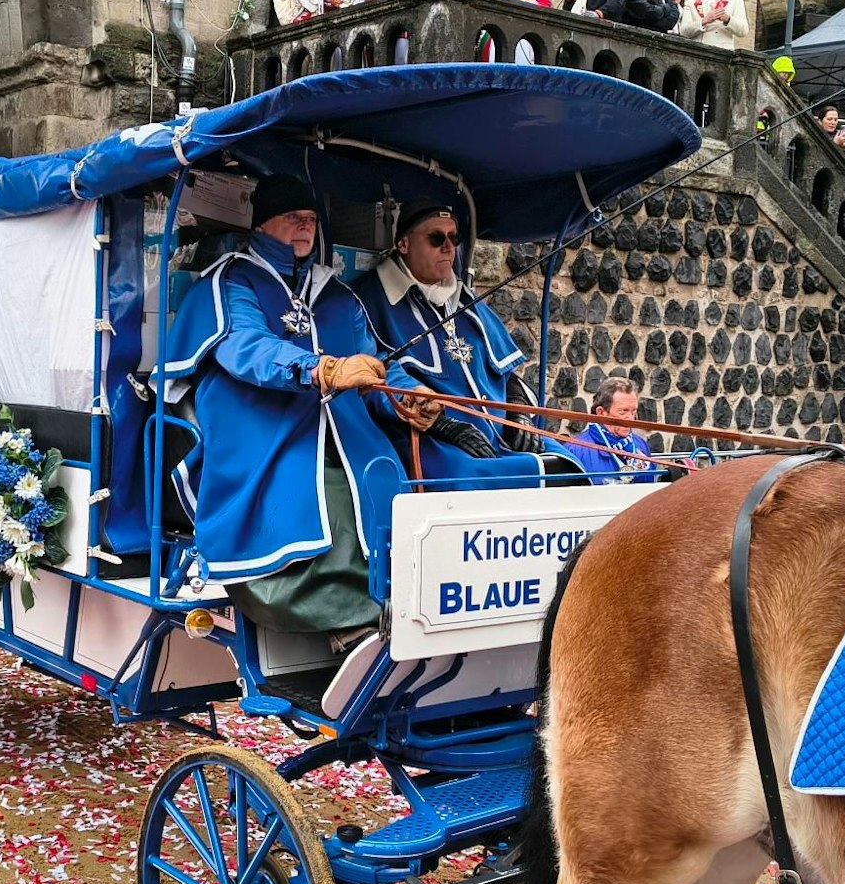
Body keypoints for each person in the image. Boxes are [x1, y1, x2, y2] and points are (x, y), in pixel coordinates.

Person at [160, 174, 396, 644]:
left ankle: (395, 602)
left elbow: (376, 364)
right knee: (317, 486)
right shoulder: (232, 278)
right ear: (264, 224)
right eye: (294, 218)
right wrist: (322, 369)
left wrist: (407, 398)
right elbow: (245, 347)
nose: (305, 227)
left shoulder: (335, 293)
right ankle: (346, 620)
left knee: (384, 473)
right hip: (257, 424)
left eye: (310, 219)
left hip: (337, 427)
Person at [350, 199, 578, 484]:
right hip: (428, 436)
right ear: (404, 244)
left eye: (453, 238)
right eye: (436, 238)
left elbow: (505, 370)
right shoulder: (367, 300)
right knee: (471, 480)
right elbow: (375, 375)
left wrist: (520, 416)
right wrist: (443, 425)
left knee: (570, 468)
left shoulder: (467, 301)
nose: (448, 247)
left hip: (498, 432)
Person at [565, 376, 660, 483]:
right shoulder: (575, 451)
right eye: (623, 411)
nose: (630, 418)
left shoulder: (641, 445)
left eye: (633, 411)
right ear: (601, 413)